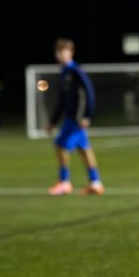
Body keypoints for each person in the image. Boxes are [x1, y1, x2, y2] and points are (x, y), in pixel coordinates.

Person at [46, 38, 104, 196]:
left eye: (63, 51)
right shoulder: (64, 72)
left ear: (70, 52)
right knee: (84, 148)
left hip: (76, 119)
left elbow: (89, 93)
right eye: (58, 52)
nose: (60, 55)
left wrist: (86, 115)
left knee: (61, 145)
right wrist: (53, 120)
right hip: (70, 118)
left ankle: (64, 182)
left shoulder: (75, 71)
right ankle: (96, 183)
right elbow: (62, 100)